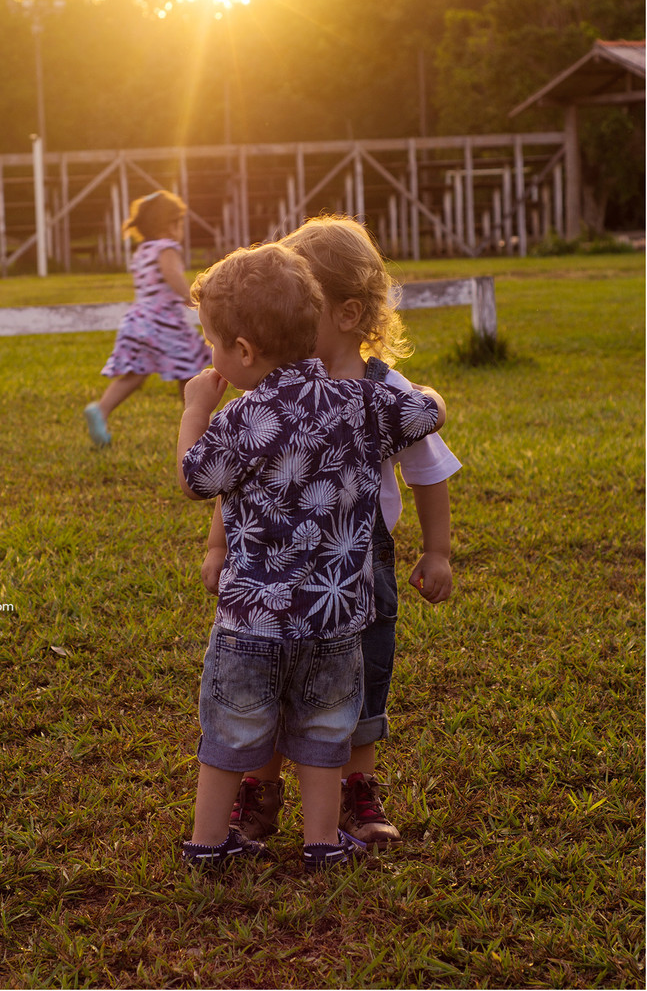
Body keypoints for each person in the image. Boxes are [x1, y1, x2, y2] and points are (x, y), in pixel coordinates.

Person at [177, 242, 446, 872]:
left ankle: (209, 844)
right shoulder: (359, 401)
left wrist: (195, 411)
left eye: (212, 343)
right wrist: (432, 393)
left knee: (230, 734)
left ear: (245, 352)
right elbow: (426, 412)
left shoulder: (243, 417)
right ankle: (322, 843)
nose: (210, 356)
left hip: (253, 622)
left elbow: (196, 480)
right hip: (336, 620)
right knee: (327, 733)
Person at [84, 189, 210, 447]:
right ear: (169, 225)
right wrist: (192, 297)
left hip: (139, 321)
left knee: (136, 374)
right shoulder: (167, 248)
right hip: (164, 324)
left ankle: (101, 409)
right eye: (179, 223)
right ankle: (197, 427)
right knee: (188, 373)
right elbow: (172, 276)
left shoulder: (143, 250)